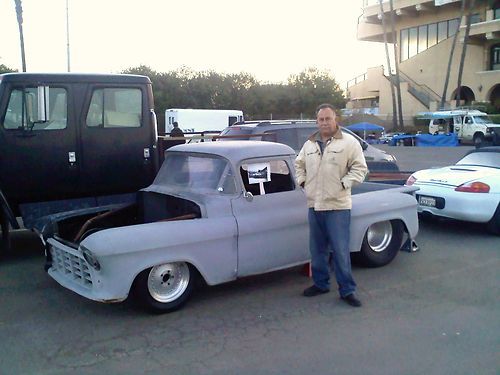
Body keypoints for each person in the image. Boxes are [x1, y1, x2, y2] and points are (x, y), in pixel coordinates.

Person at [295, 103, 367, 307]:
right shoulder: (310, 144)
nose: (324, 122)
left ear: (336, 120)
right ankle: (321, 284)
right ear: (317, 122)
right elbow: (298, 164)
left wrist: (344, 183)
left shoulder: (349, 143)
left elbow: (360, 169)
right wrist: (302, 182)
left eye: (328, 118)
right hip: (314, 205)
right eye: (321, 119)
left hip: (338, 206)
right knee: (317, 250)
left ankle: (347, 290)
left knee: (340, 251)